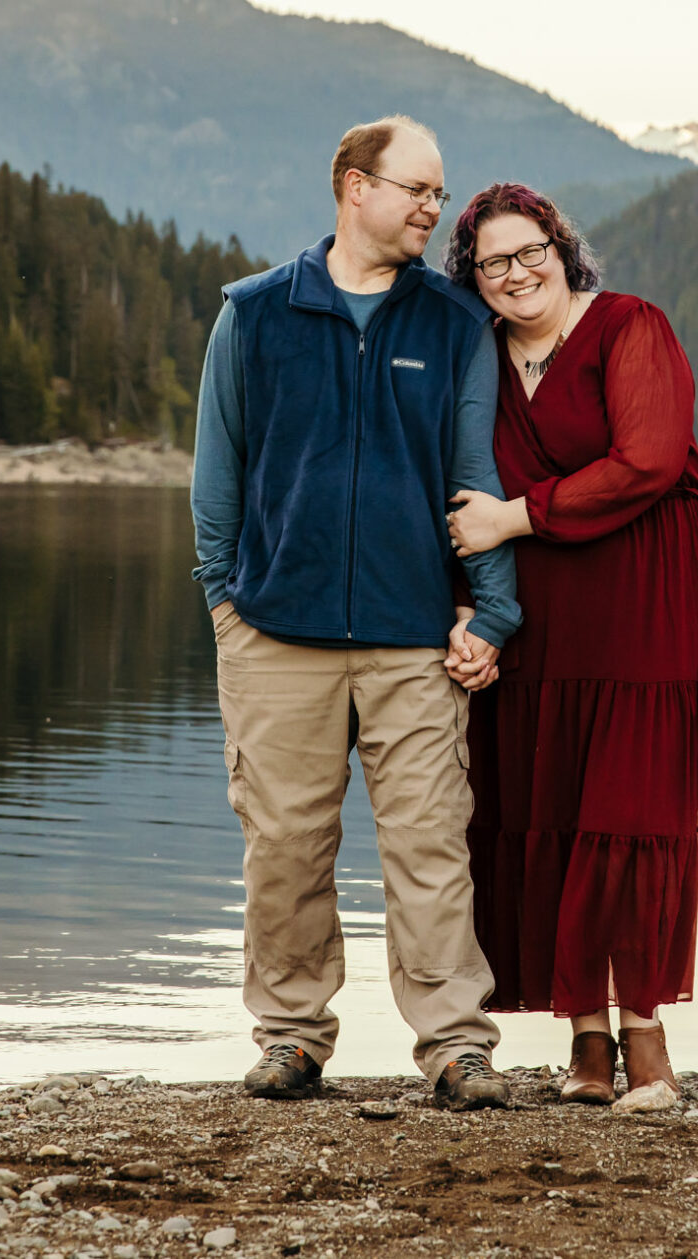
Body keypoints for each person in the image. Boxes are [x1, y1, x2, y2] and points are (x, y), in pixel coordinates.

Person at [190, 116, 523, 1112]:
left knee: (430, 843)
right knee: (285, 845)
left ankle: (456, 1049)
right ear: (351, 186)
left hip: (412, 634)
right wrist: (225, 608)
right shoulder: (254, 314)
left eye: (438, 191)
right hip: (273, 633)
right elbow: (217, 482)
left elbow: (475, 482)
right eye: (414, 189)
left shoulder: (454, 323)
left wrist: (491, 617)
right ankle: (292, 1037)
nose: (433, 208)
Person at [442, 182, 698, 1113]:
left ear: (562, 248)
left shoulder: (632, 327)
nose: (516, 274)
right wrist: (474, 615)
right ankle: (584, 1041)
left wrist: (516, 515)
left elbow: (647, 460)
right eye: (492, 263)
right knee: (550, 804)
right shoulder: (480, 357)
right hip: (541, 612)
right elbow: (459, 498)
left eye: (530, 252)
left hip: (641, 599)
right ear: (472, 281)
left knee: (630, 815)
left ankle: (648, 1041)